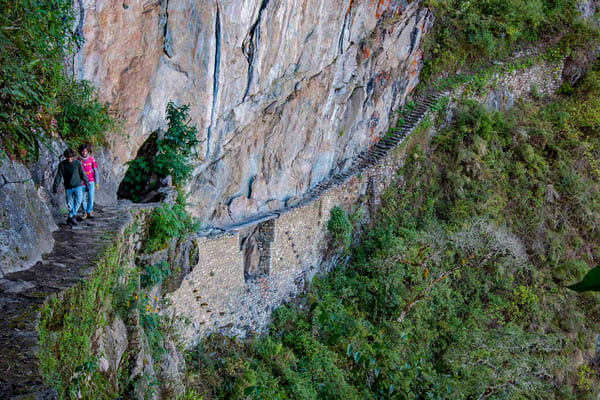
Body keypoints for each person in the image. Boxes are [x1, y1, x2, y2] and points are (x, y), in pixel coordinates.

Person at [52, 148, 88, 226]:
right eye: (68, 157)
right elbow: (59, 175)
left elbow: (82, 174)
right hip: (68, 186)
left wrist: (86, 183)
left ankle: (71, 216)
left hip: (78, 185)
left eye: (71, 157)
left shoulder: (77, 163)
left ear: (73, 157)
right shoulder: (62, 164)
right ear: (65, 157)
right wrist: (55, 186)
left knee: (79, 200)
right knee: (69, 203)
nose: (69, 159)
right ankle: (72, 218)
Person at [78, 144, 98, 219]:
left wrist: (97, 182)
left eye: (85, 151)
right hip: (81, 182)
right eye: (83, 151)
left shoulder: (91, 159)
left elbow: (95, 171)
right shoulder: (77, 160)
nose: (84, 153)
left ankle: (90, 211)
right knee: (82, 197)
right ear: (80, 151)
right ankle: (84, 212)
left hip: (90, 181)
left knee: (91, 196)